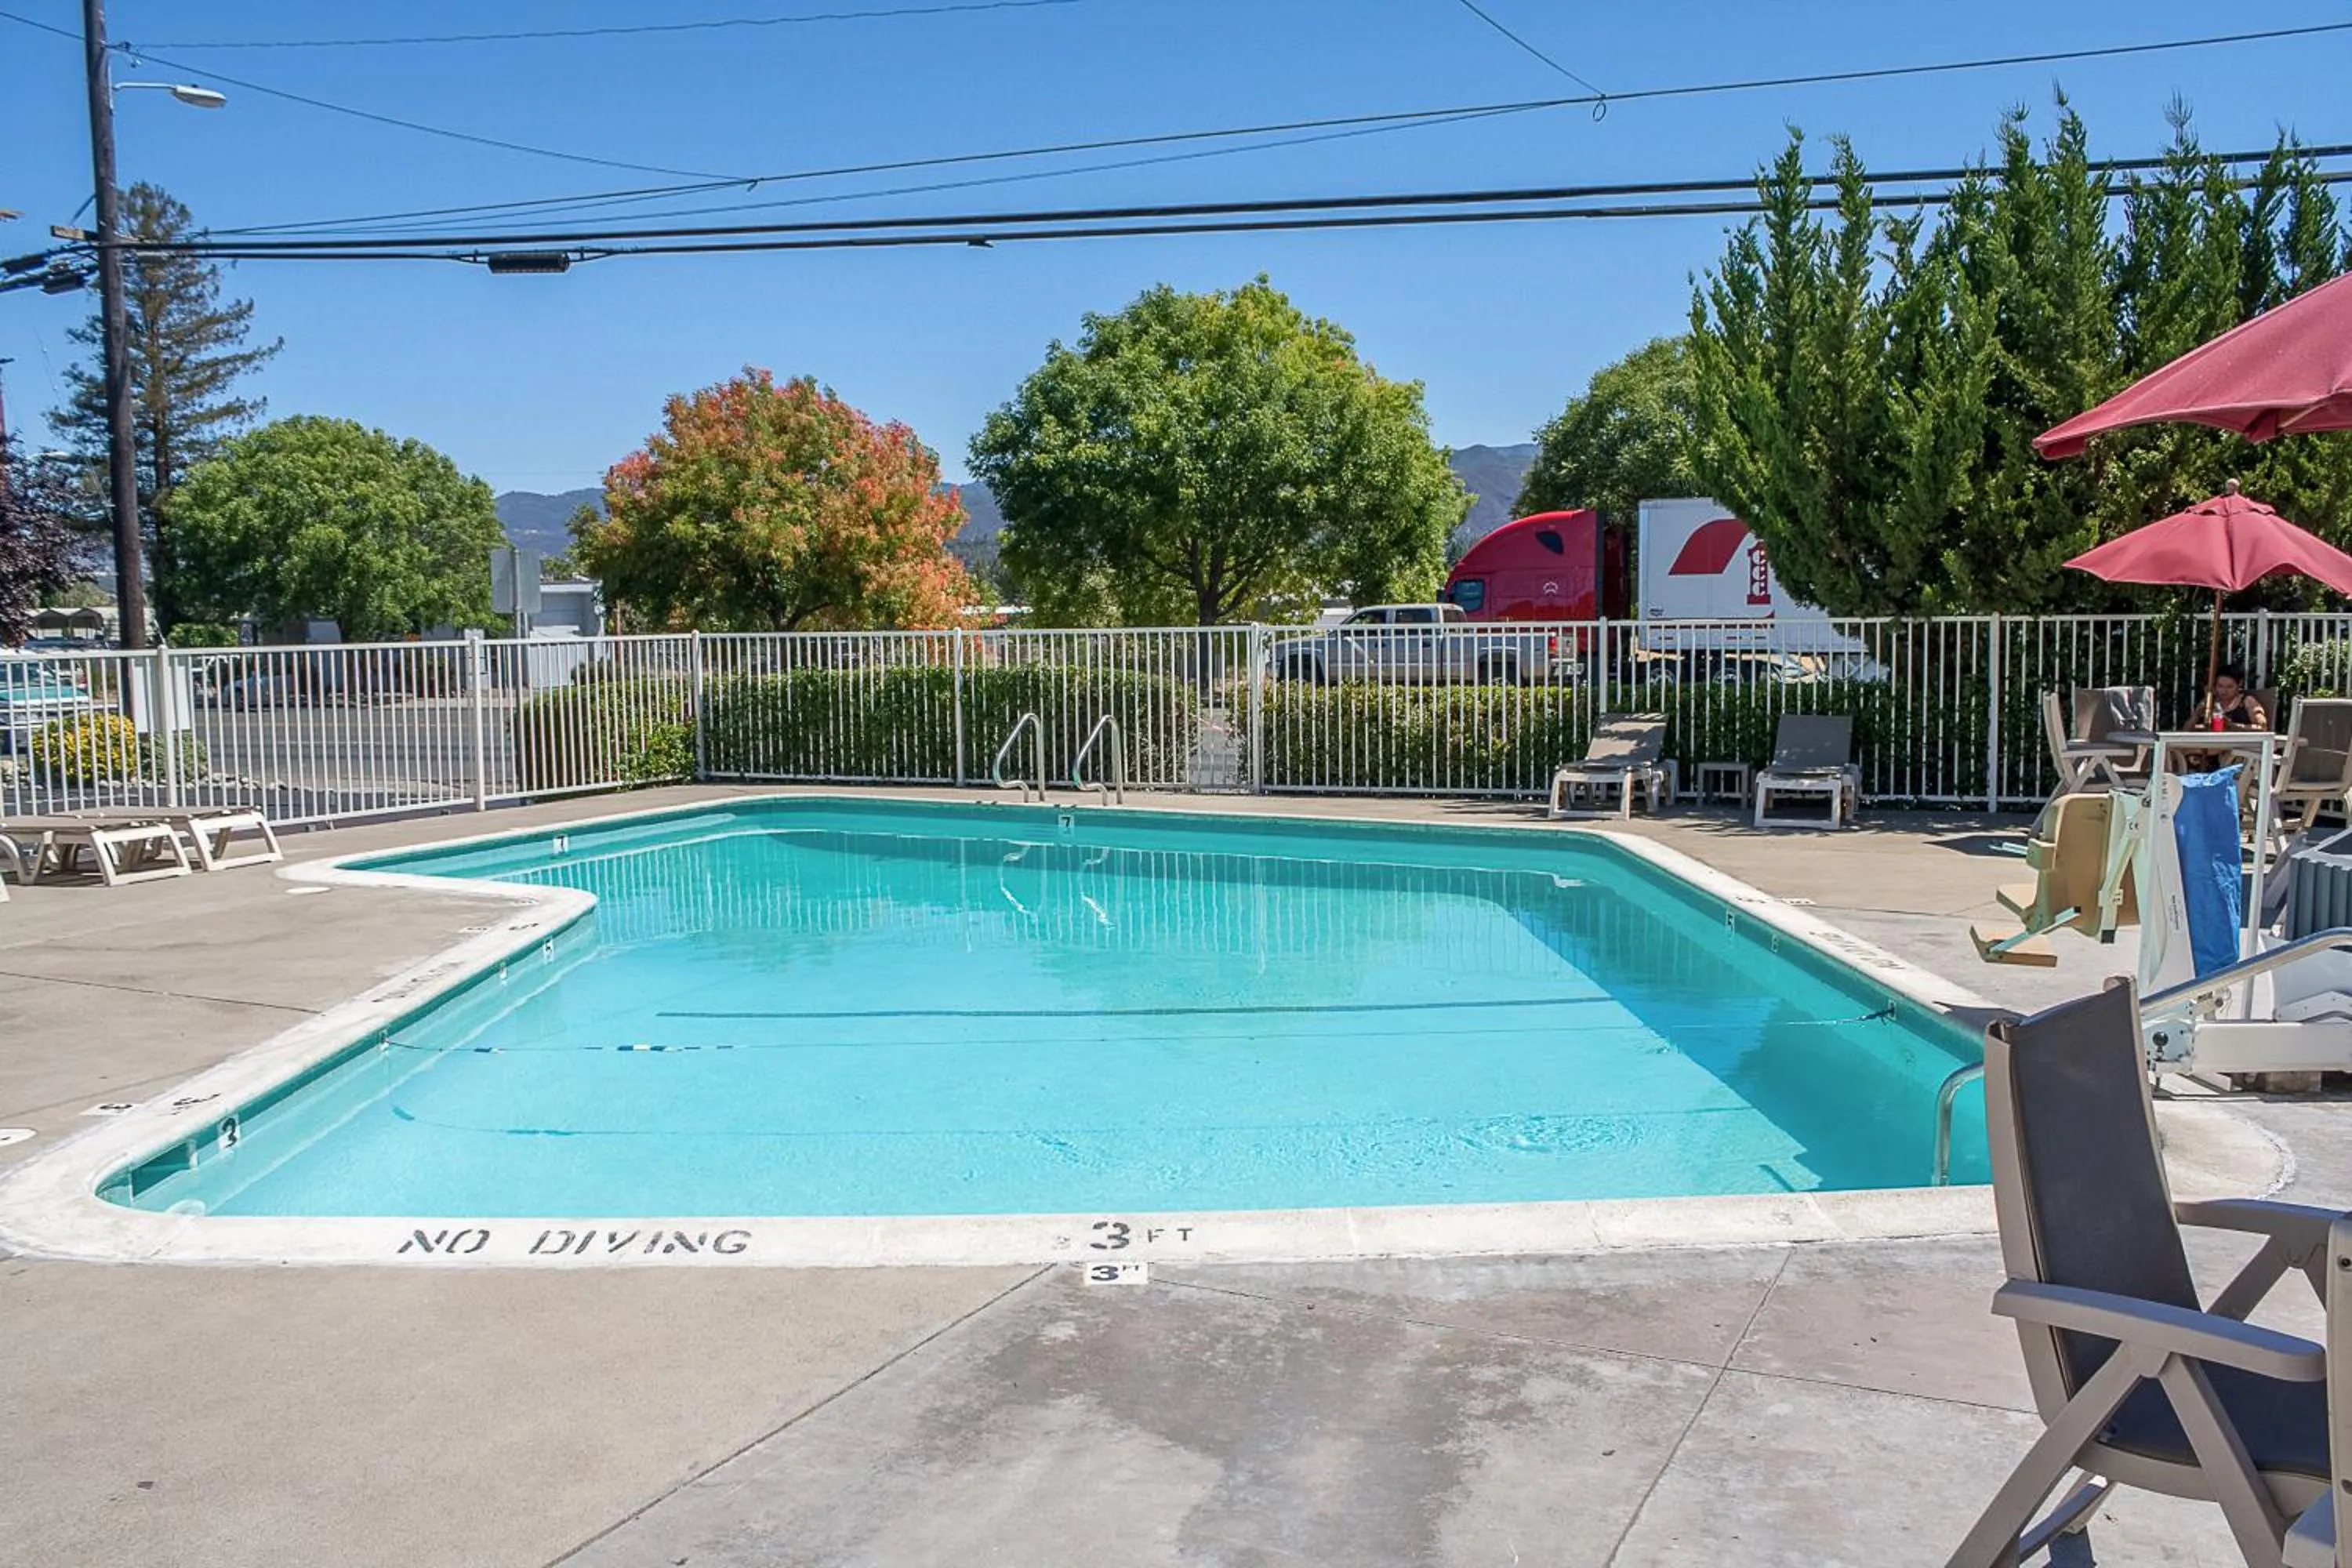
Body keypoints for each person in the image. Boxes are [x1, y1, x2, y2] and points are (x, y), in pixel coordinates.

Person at [2194, 666, 2268, 731]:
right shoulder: (2210, 702)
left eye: (2229, 687)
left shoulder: (2247, 701)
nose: (2224, 691)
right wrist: (2197, 715)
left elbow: (2262, 727)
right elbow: (2188, 729)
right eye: (2220, 686)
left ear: (2239, 684)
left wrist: (2231, 726)